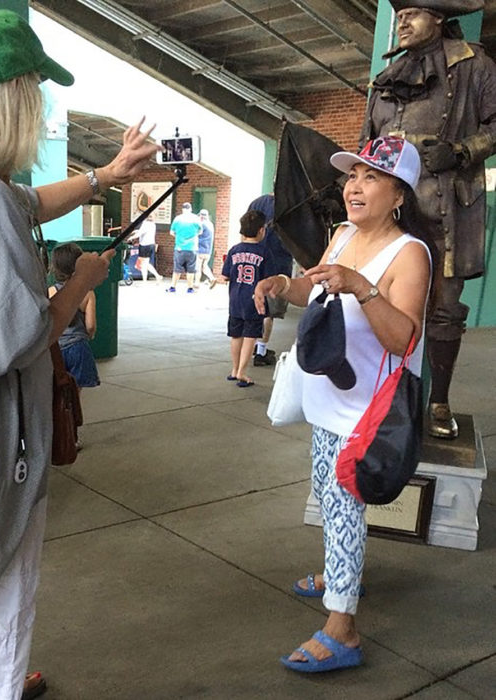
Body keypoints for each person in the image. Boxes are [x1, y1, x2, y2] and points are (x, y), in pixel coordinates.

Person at [0, 10, 158, 700]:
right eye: (34, 90)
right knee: (1, 608)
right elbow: (15, 343)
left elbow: (26, 204)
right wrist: (80, 284)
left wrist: (105, 174)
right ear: (9, 95)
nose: (40, 107)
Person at [255, 136, 431, 672]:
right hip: (327, 396)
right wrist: (284, 283)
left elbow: (404, 339)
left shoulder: (410, 254)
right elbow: (315, 289)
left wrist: (363, 287)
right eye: (352, 176)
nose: (354, 186)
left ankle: (342, 628)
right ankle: (338, 573)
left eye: (371, 177)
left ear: (398, 194)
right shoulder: (341, 234)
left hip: (366, 410)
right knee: (328, 499)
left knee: (343, 509)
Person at [360, 0, 496, 439]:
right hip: (393, 207)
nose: (402, 21)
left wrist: (460, 151)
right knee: (380, 300)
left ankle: (438, 401)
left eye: (413, 13)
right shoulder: (385, 79)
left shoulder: (475, 66)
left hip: (446, 207)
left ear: (438, 18)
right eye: (398, 15)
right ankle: (382, 394)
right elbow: (368, 143)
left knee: (444, 311)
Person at [222, 210, 274, 388]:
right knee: (250, 336)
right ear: (261, 230)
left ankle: (234, 370)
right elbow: (269, 280)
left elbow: (226, 276)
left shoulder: (234, 250)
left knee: (235, 335)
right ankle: (243, 372)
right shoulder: (265, 252)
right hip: (254, 301)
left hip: (235, 300)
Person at [248, 194, 294, 366]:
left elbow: (246, 229)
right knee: (268, 310)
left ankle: (249, 347)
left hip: (255, 260)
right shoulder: (291, 206)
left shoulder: (257, 202)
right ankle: (261, 350)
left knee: (254, 306)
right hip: (279, 264)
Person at [48, 242, 100, 389]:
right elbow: (91, 325)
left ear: (55, 267)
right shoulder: (88, 293)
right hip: (79, 348)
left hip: (55, 350)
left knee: (56, 391)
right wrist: (90, 335)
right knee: (76, 393)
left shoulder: (51, 291)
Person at [167, 202, 201, 293]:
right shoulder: (196, 218)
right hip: (192, 248)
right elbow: (200, 231)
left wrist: (179, 237)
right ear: (190, 209)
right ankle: (190, 288)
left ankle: (173, 287)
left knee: (177, 269)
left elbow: (171, 232)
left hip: (179, 248)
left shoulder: (177, 219)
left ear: (182, 209)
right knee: (191, 269)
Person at [127, 214, 162, 282]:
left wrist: (131, 237)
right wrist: (137, 231)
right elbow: (144, 232)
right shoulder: (153, 224)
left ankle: (146, 280)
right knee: (145, 263)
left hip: (144, 245)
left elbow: (140, 233)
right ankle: (157, 276)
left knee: (143, 264)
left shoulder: (145, 224)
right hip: (151, 245)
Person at [194, 208, 217, 289]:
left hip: (200, 249)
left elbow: (196, 234)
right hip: (208, 250)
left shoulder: (201, 224)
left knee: (198, 266)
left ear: (201, 216)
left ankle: (196, 283)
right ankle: (212, 278)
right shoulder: (211, 224)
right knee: (204, 266)